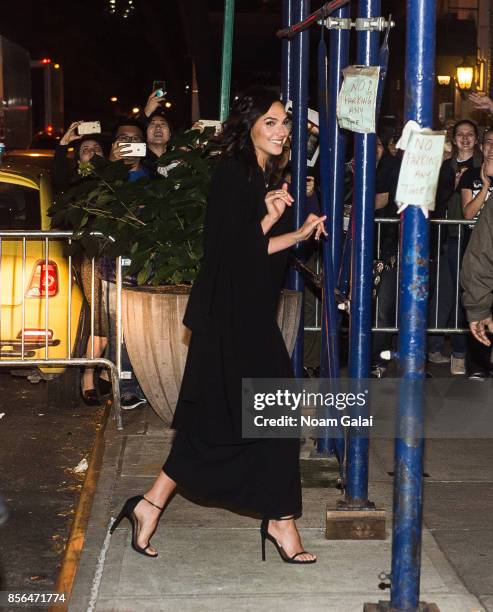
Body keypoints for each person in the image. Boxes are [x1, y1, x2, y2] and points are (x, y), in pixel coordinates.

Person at [110, 88, 327, 563]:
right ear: (248, 125)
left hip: (241, 314)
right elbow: (232, 256)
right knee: (267, 415)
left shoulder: (256, 175)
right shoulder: (235, 174)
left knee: (216, 422)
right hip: (232, 318)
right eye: (270, 122)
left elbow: (250, 251)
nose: (281, 130)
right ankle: (280, 519)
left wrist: (288, 228)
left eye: (284, 123)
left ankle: (149, 505)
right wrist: (280, 225)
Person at [52, 122, 108, 404]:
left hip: (115, 255)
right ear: (78, 158)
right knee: (100, 312)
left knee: (112, 314)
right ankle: (89, 375)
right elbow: (58, 176)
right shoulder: (73, 182)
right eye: (85, 149)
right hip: (87, 255)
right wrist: (64, 142)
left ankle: (103, 372)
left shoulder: (113, 179)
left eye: (97, 148)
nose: (92, 152)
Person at [428, 120, 482, 375]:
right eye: (460, 134)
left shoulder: (482, 165)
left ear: (476, 139)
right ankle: (435, 346)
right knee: (442, 292)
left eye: (469, 134)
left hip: (471, 237)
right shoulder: (444, 165)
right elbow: (434, 197)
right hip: (445, 234)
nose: (465, 138)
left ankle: (460, 352)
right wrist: (454, 185)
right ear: (453, 138)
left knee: (464, 293)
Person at [458, 127, 493, 379]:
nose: (490, 151)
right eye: (488, 144)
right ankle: (478, 368)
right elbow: (468, 213)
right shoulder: (472, 175)